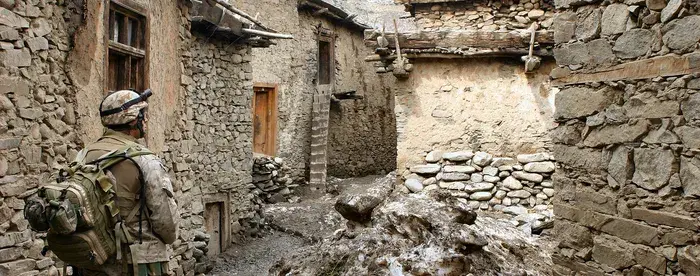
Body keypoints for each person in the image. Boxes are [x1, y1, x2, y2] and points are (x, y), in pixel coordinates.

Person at [74, 89, 179, 276]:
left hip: (92, 259)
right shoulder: (145, 161)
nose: (146, 121)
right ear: (133, 120)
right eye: (143, 115)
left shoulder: (82, 156)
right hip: (136, 263)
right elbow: (166, 224)